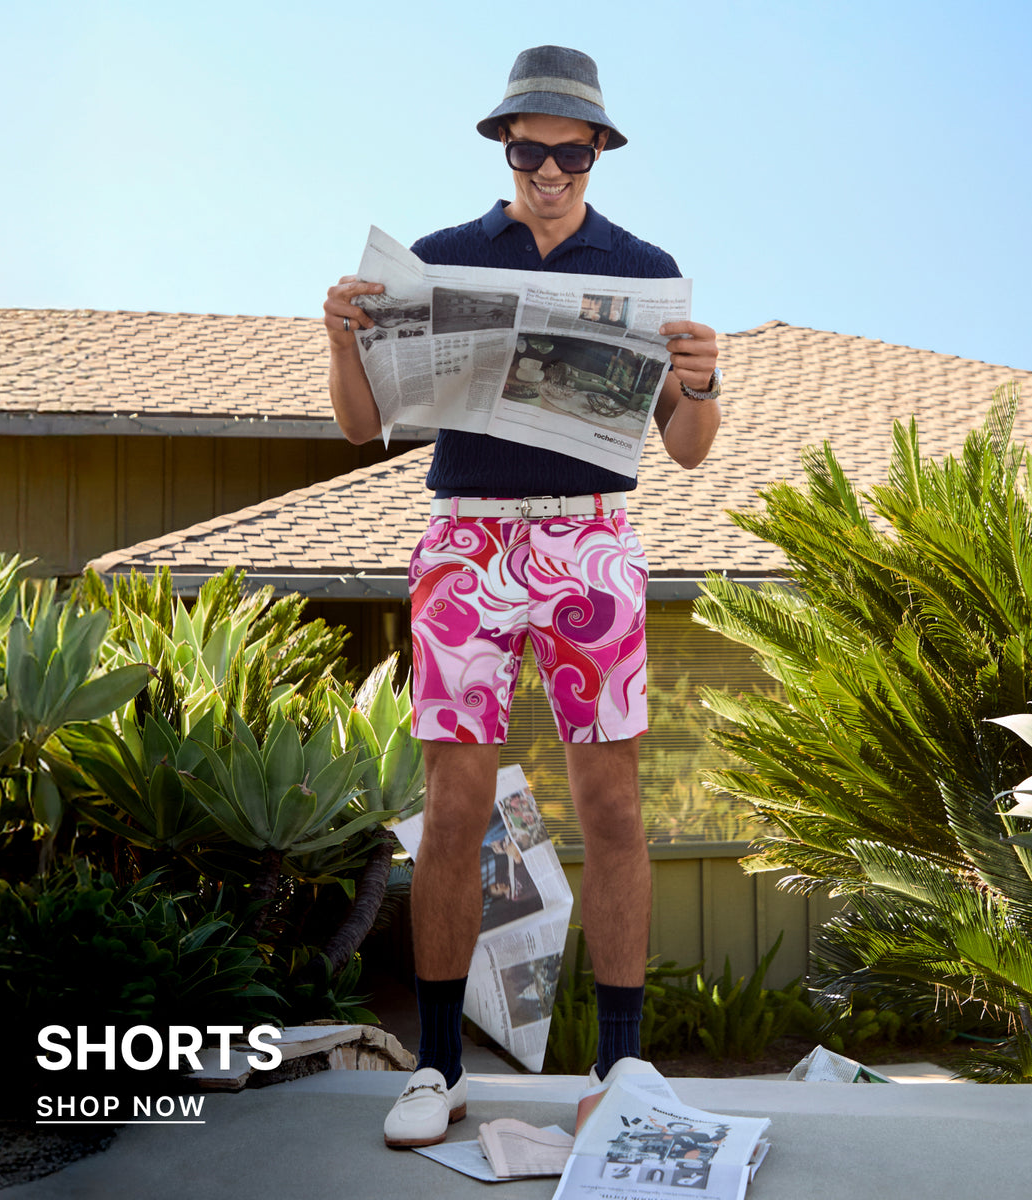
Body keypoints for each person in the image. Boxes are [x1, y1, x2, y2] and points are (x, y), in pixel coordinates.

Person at [323, 45, 722, 1149]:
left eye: (571, 152)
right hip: (464, 545)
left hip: (590, 540)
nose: (550, 170)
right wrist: (340, 341)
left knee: (614, 808)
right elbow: (361, 427)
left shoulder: (642, 269)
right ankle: (439, 1069)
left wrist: (702, 382)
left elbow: (687, 450)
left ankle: (623, 1065)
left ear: (598, 153)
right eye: (532, 149)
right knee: (455, 807)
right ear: (505, 145)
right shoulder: (444, 260)